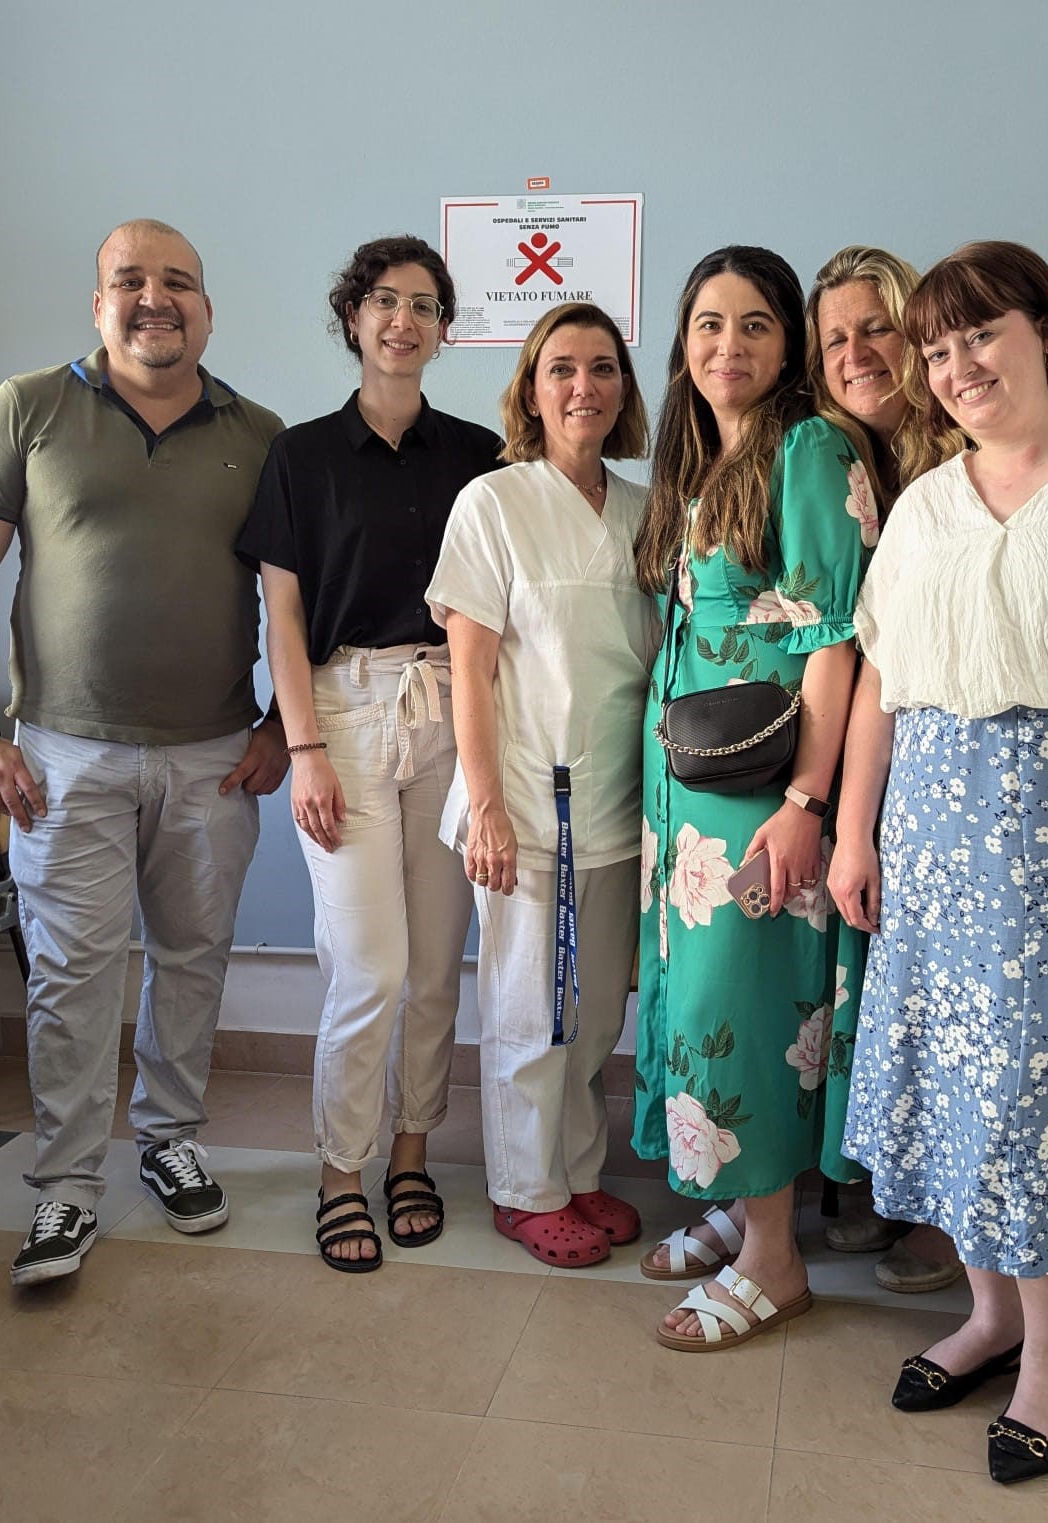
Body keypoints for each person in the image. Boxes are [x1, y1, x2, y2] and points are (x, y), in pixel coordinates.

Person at [831, 240, 1048, 1483]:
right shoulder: (924, 502)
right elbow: (881, 677)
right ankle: (989, 1313)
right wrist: (852, 829)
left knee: (1036, 1097)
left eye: (977, 336)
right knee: (949, 1085)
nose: (954, 367)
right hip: (931, 836)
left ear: (1041, 330)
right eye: (932, 350)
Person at [0, 219, 287, 1287]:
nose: (156, 298)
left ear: (206, 307)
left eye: (178, 281)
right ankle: (63, 1188)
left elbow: (303, 601)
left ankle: (169, 1140)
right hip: (62, 757)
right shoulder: (27, 410)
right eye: (130, 280)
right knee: (72, 975)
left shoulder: (261, 433)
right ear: (98, 303)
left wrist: (285, 725)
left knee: (192, 960)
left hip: (214, 755)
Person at [237, 236, 501, 1273]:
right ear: (353, 318)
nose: (403, 320)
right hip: (342, 714)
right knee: (371, 966)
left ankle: (408, 1152)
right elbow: (283, 618)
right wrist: (302, 747)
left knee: (436, 964)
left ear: (444, 329)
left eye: (424, 305)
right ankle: (338, 1170)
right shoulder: (298, 456)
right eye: (384, 302)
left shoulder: (476, 453)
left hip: (447, 708)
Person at [632, 246, 870, 1350]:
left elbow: (835, 643)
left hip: (763, 791)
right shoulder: (695, 464)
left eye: (756, 326)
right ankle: (740, 1202)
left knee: (749, 1007)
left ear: (787, 349)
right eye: (708, 324)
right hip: (686, 793)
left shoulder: (810, 449)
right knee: (704, 1005)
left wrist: (807, 802)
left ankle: (776, 1258)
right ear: (683, 342)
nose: (728, 345)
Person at [426, 302, 653, 1268]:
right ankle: (525, 1189)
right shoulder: (493, 502)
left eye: (603, 369)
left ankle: (579, 1174)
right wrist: (485, 809)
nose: (583, 387)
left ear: (623, 391)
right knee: (533, 1009)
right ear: (531, 386)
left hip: (620, 805)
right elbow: (467, 670)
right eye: (562, 368)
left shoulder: (649, 511)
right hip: (524, 803)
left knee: (597, 1010)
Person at [806, 245, 965, 1293]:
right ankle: (873, 1182)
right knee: (874, 981)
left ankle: (951, 1218)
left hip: (962, 768)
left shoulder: (964, 454)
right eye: (834, 339)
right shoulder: (828, 460)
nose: (857, 352)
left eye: (875, 327)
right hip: (860, 756)